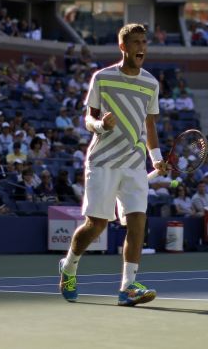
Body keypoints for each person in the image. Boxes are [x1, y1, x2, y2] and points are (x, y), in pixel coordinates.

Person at [58, 23, 165, 307]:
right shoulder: (102, 78)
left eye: (144, 42)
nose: (141, 47)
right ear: (123, 47)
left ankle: (128, 287)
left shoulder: (151, 83)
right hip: (103, 161)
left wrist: (156, 158)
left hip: (134, 164)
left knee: (138, 222)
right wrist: (101, 126)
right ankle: (69, 266)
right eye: (135, 43)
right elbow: (88, 119)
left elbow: (149, 123)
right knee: (96, 225)